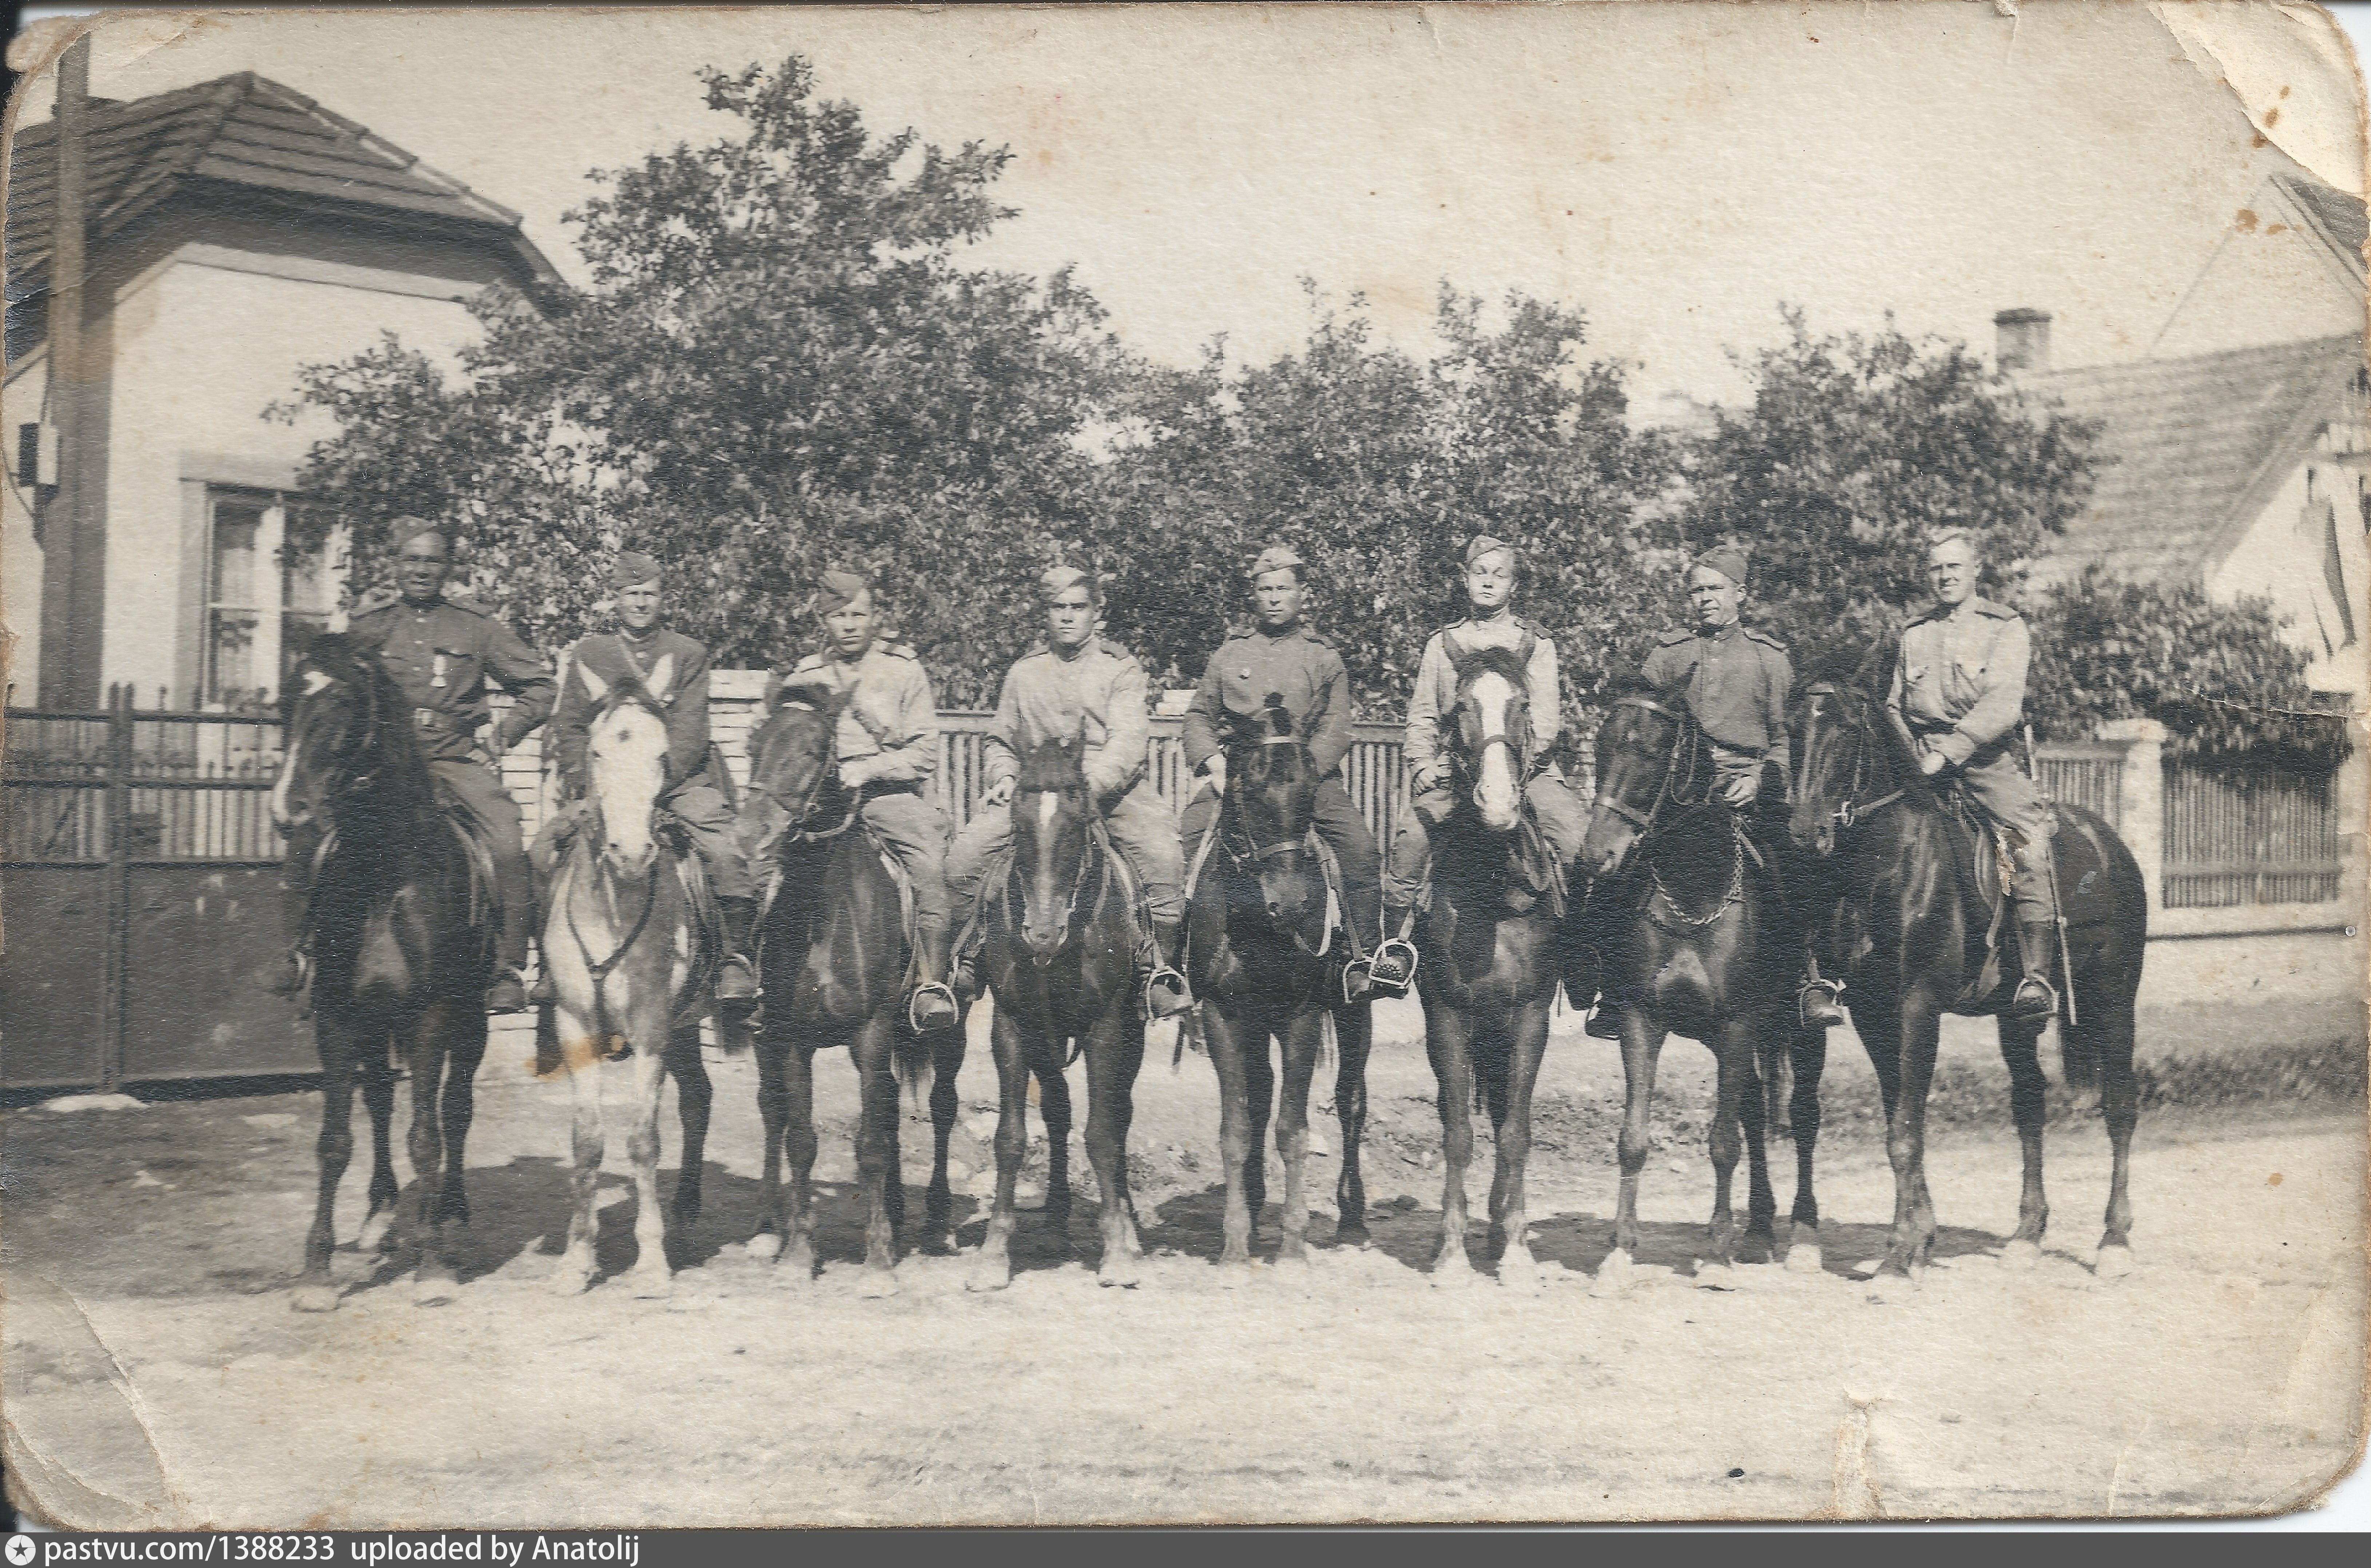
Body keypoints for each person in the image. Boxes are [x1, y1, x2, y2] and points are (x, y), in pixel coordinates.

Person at [264, 519, 555, 1013]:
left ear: (448, 567)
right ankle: (297, 953)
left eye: (433, 560)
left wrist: (499, 741)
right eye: (412, 560)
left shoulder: (477, 626)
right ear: (396, 565)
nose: (422, 570)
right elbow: (330, 685)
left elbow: (540, 688)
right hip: (380, 766)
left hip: (453, 760)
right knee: (312, 830)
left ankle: (507, 967)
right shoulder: (370, 625)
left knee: (506, 838)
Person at [946, 564, 1190, 1018]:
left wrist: (1086, 788)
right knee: (964, 858)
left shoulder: (1120, 668)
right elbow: (1001, 737)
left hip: (1110, 793)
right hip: (1034, 793)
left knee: (1164, 856)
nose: (1067, 616)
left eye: (1078, 607)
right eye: (1058, 608)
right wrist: (1002, 777)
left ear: (1098, 613)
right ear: (1046, 614)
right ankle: (966, 962)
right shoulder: (1024, 672)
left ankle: (1157, 971)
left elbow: (1127, 742)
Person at [1633, 545, 1846, 1035]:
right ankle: (1612, 985)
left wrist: (1758, 779)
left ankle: (1808, 979)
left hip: (1745, 789)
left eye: (1715, 588)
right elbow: (1642, 724)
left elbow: (1786, 738)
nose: (1705, 599)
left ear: (1741, 594)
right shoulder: (1668, 654)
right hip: (1677, 793)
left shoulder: (1768, 658)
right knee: (1619, 864)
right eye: (1697, 590)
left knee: (1792, 866)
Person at [1178, 543, 1402, 1001]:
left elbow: (1337, 728)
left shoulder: (1323, 657)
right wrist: (1215, 764)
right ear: (1254, 596)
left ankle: (1363, 959)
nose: (1275, 597)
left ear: (1303, 593)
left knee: (1359, 849)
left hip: (1309, 781)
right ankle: (1180, 966)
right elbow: (1198, 716)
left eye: (1284, 588)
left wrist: (1301, 775)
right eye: (1266, 589)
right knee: (1183, 842)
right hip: (1239, 781)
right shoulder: (1229, 655)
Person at [538, 550, 759, 1005]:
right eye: (631, 594)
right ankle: (548, 965)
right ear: (615, 599)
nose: (641, 603)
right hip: (606, 786)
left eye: (650, 594)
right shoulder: (590, 654)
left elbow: (691, 732)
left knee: (724, 850)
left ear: (664, 599)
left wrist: (647, 787)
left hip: (678, 785)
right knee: (545, 849)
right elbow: (570, 726)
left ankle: (735, 959)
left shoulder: (688, 654)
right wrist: (594, 782)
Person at [753, 569, 960, 1032]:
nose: (849, 624)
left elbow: (924, 750)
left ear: (874, 617)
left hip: (886, 796)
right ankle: (759, 981)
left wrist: (869, 767)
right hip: (816, 801)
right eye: (839, 615)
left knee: (928, 869)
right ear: (824, 620)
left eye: (858, 614)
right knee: (763, 868)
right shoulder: (806, 675)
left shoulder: (903, 669)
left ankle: (930, 984)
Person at [1380, 536, 1587, 957]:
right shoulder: (1442, 645)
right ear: (1465, 579)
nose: (1489, 582)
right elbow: (1422, 715)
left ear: (1514, 586)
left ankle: (1583, 952)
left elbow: (1546, 722)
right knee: (1411, 838)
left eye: (1500, 574)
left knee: (1577, 839)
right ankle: (1394, 948)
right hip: (1456, 770)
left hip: (1529, 770)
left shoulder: (1536, 644)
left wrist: (1510, 769)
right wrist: (1422, 764)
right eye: (1480, 573)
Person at [1888, 529, 2061, 1022]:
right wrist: (1908, 754)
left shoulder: (2004, 627)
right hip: (1919, 759)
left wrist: (1948, 753)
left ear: (1975, 570)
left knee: (2027, 843)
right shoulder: (1913, 632)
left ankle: (2035, 976)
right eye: (1936, 568)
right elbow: (1893, 704)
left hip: (1983, 761)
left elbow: (2002, 704)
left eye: (1954, 567)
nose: (1944, 577)